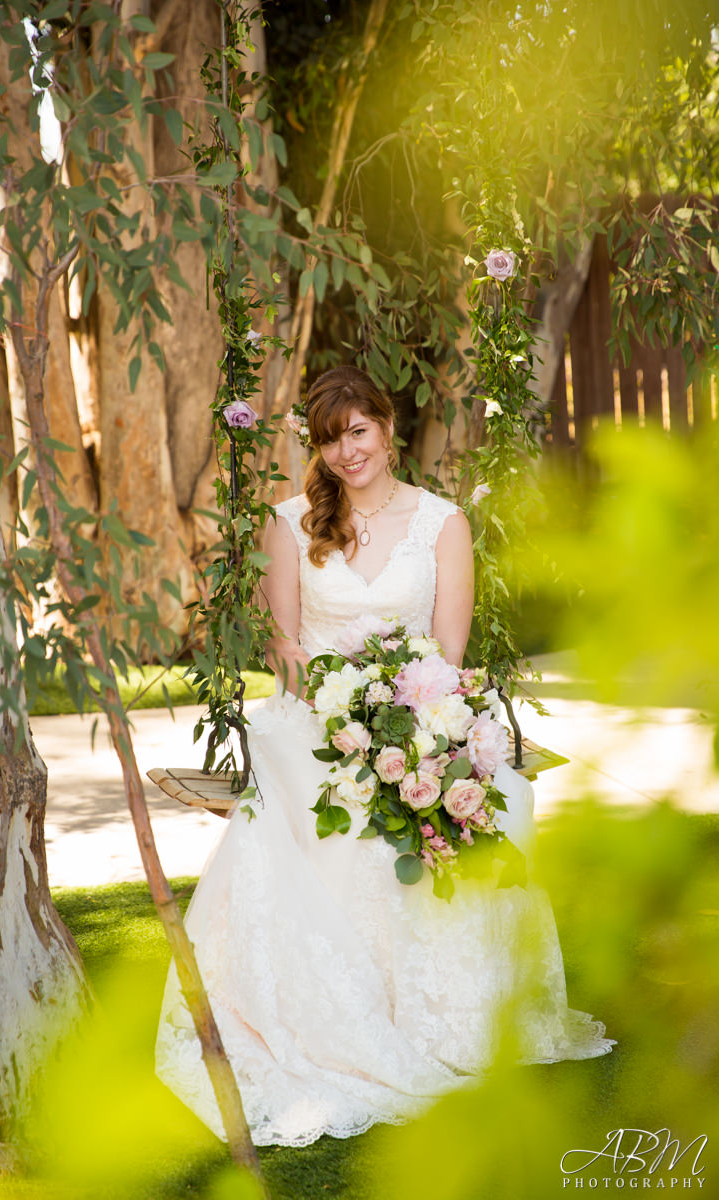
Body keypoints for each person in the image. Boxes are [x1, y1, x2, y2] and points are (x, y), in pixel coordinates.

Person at [156, 365, 612, 1147]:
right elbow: (287, 646)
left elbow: (449, 650)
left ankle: (440, 1011)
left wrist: (405, 719)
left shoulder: (442, 523)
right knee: (315, 791)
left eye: (357, 433)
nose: (345, 454)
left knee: (478, 791)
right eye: (330, 441)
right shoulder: (290, 520)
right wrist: (339, 713)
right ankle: (327, 1012)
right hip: (315, 716)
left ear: (386, 426)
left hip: (418, 706)